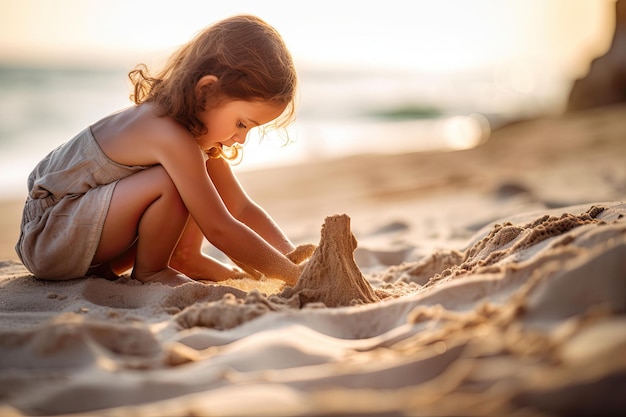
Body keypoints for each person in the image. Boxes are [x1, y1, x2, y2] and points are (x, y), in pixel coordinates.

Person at [15, 15, 308, 287]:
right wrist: (293, 276)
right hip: (50, 234)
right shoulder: (165, 132)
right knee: (175, 179)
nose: (241, 139)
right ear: (206, 90)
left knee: (198, 176)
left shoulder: (193, 141)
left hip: (85, 239)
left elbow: (241, 208)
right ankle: (152, 271)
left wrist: (291, 258)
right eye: (242, 123)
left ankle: (185, 257)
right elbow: (219, 226)